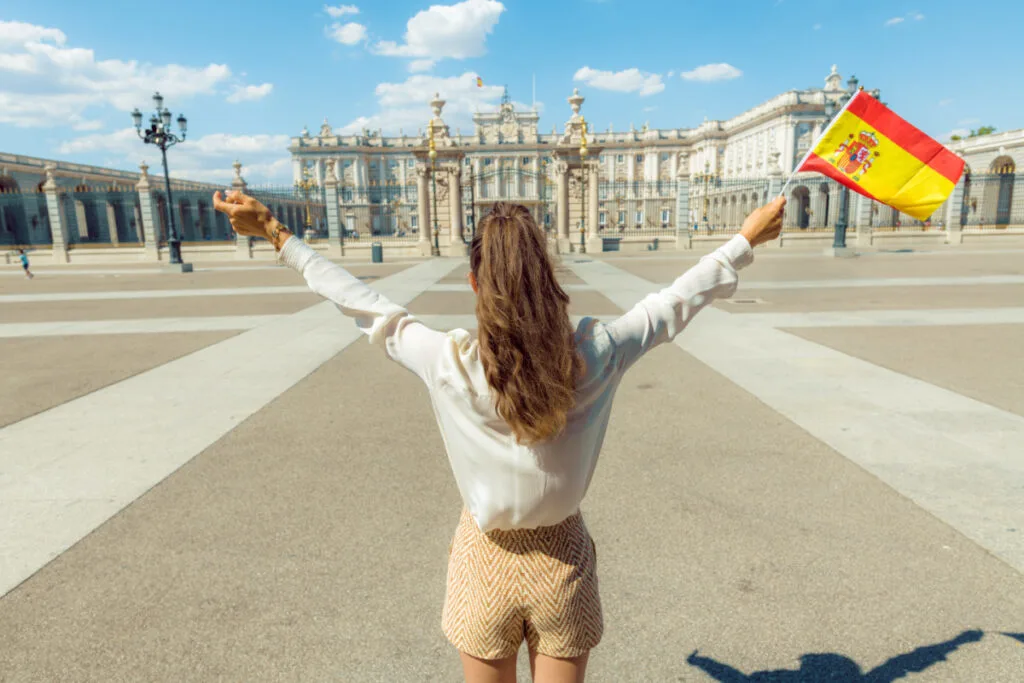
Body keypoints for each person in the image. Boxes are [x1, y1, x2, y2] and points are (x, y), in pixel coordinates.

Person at [213, 190, 785, 683]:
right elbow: (672, 305)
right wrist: (744, 239)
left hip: (482, 559)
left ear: (474, 282)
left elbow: (363, 304)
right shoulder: (595, 352)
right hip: (564, 560)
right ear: (548, 278)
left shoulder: (448, 360)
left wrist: (274, 231)